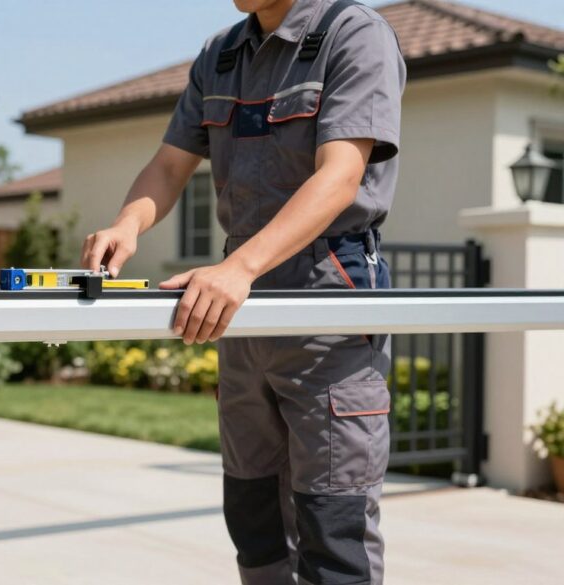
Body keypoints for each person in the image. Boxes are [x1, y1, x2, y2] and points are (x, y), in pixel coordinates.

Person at [80, 0, 405, 583]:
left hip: (327, 299)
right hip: (240, 305)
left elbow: (340, 176)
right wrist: (127, 224)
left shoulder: (355, 35)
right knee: (254, 523)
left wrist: (241, 267)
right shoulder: (220, 53)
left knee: (333, 527)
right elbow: (170, 165)